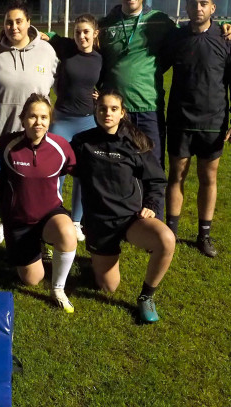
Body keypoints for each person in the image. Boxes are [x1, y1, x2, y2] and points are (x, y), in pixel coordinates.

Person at [98, 0, 231, 175]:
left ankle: (152, 207)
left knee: (152, 169)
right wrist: (47, 35)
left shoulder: (159, 21)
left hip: (149, 108)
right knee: (114, 169)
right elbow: (79, 41)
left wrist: (229, 24)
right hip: (113, 109)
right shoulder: (105, 24)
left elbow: (192, 30)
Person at [71, 91, 176, 323]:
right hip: (100, 223)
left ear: (122, 113)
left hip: (132, 219)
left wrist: (150, 204)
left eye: (113, 109)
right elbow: (57, 158)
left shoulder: (136, 143)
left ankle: (146, 297)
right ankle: (97, 261)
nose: (107, 113)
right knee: (108, 287)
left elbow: (157, 180)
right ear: (96, 111)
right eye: (102, 108)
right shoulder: (82, 142)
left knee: (166, 240)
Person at [162, 0, 231, 258]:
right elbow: (151, 65)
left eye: (203, 3)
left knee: (208, 178)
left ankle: (204, 235)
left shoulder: (226, 40)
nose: (197, 8)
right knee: (176, 176)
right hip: (179, 119)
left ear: (213, 8)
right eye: (193, 3)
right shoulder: (176, 39)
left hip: (213, 121)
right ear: (186, 8)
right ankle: (171, 233)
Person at [0, 0, 58, 245]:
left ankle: (41, 233)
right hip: (1, 130)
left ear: (28, 23)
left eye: (19, 22)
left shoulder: (47, 50)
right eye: (8, 22)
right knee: (5, 184)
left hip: (35, 133)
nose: (14, 27)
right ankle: (6, 221)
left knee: (35, 187)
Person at [0, 94, 77, 313]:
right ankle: (37, 246)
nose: (38, 122)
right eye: (32, 116)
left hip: (50, 214)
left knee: (68, 232)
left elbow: (76, 169)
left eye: (43, 117)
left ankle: (58, 289)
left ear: (50, 120)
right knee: (32, 279)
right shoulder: (7, 145)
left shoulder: (60, 146)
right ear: (22, 119)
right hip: (19, 221)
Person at [41, 14, 103, 242]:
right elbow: (41, 36)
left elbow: (108, 83)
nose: (81, 36)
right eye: (78, 32)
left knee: (82, 174)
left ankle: (76, 221)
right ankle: (51, 213)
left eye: (86, 32)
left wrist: (102, 95)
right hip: (62, 120)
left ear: (95, 33)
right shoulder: (67, 48)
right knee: (55, 171)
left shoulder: (101, 57)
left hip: (87, 122)